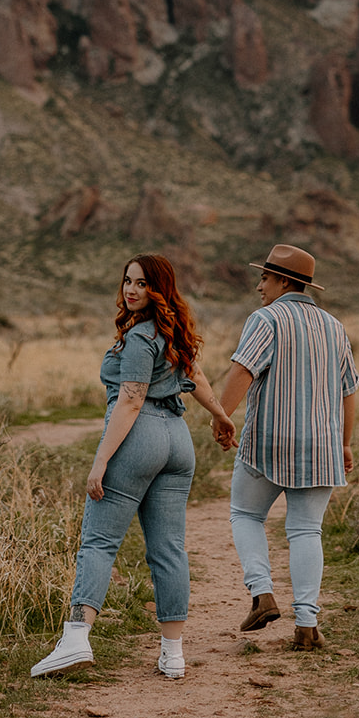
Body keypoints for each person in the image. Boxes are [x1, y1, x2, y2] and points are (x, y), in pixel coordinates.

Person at [31, 253, 236, 680]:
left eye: (142, 283)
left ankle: (75, 639)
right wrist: (219, 414)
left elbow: (130, 399)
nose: (131, 289)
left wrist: (101, 460)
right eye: (127, 280)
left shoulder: (142, 337)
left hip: (139, 437)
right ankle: (173, 654)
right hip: (177, 441)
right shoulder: (172, 332)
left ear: (159, 289)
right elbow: (195, 376)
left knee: (100, 540)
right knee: (168, 548)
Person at [217, 243, 359, 651]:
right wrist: (345, 443)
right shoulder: (334, 326)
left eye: (264, 277)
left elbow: (242, 369)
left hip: (269, 441)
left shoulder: (267, 319)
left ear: (283, 281)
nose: (259, 285)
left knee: (245, 513)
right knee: (305, 529)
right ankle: (307, 626)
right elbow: (349, 390)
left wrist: (222, 417)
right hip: (322, 445)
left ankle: (262, 594)